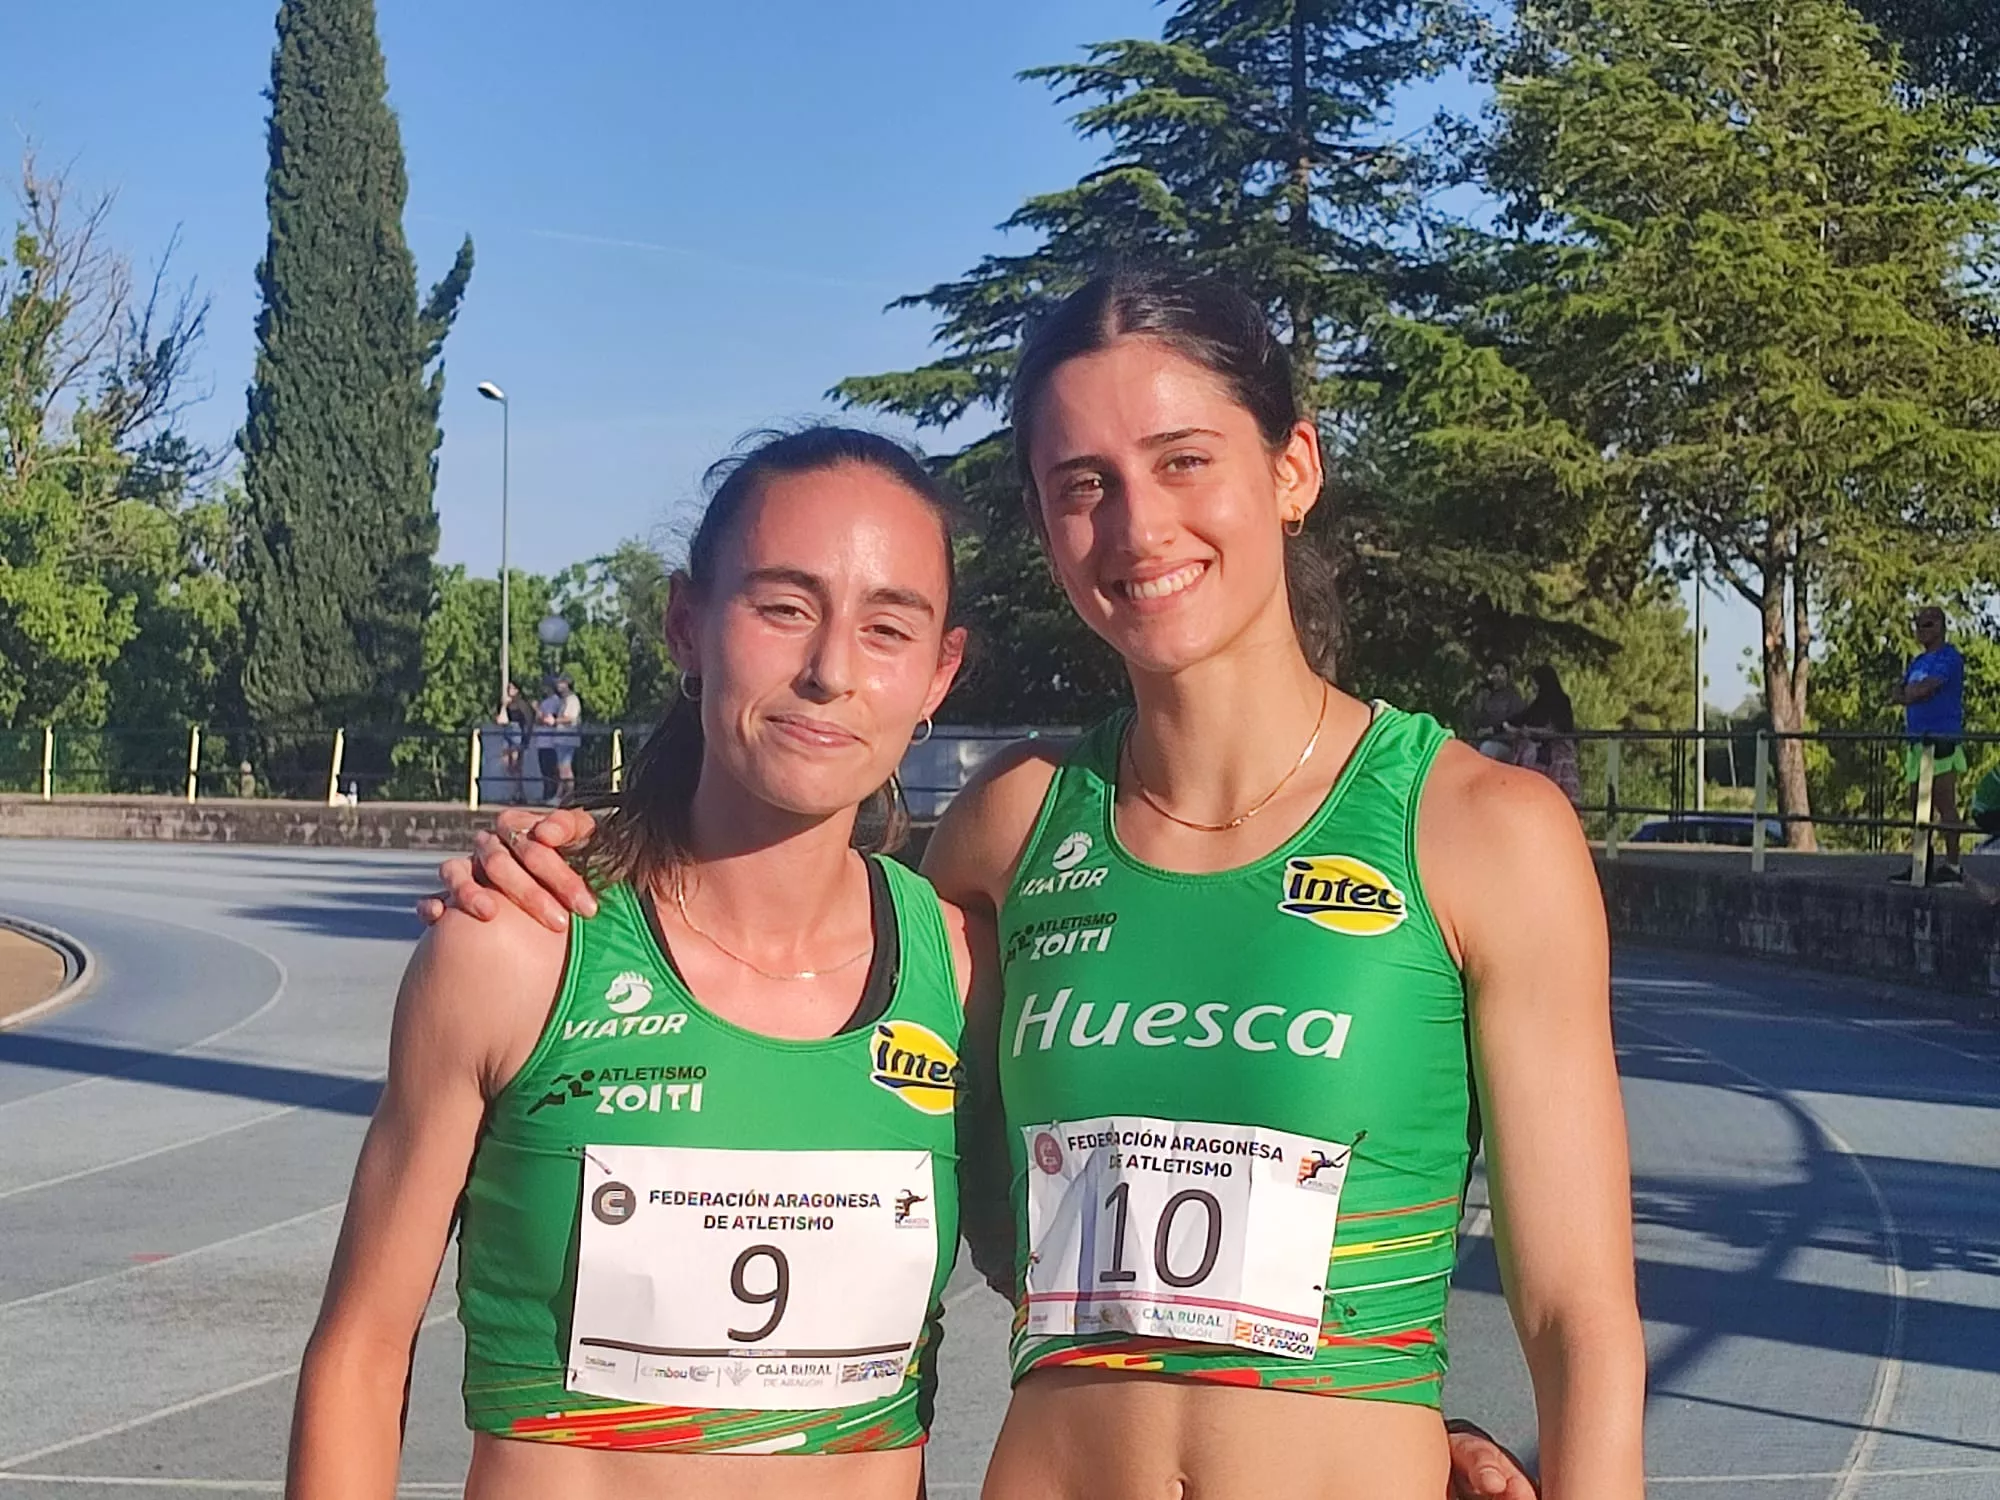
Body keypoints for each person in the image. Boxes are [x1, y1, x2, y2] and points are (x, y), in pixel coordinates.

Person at [434, 272, 1640, 1498]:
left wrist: (1369, 1417)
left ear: (1291, 470)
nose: (1135, 529)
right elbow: (778, 991)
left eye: (1182, 462)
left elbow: (1575, 1324)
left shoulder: (1480, 832)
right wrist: (582, 867)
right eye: (1083, 485)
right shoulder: (1009, 830)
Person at [288, 428, 983, 1500]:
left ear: (938, 673)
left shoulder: (962, 970)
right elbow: (362, 1354)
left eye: (886, 628)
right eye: (783, 607)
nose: (830, 670)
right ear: (686, 624)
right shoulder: (518, 944)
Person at [1893, 606, 1966, 883]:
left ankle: (1954, 865)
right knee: (1917, 803)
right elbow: (1899, 691)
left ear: (1940, 626)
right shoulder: (1917, 662)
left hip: (1942, 738)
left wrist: (1912, 693)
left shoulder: (1949, 658)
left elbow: (1925, 689)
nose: (1921, 629)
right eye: (1918, 625)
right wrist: (1909, 693)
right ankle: (1923, 861)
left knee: (1944, 800)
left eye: (1927, 624)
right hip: (1918, 742)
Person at [1509, 666, 1581, 807]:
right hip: (1539, 748)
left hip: (1557, 750)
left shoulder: (1560, 702)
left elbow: (1557, 730)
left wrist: (1531, 731)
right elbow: (1523, 718)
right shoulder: (1538, 703)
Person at [1465, 663, 1527, 761]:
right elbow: (1474, 719)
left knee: (1486, 749)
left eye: (1502, 672)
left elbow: (1515, 721)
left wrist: (1493, 729)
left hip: (1504, 743)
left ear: (1507, 675)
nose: (1498, 676)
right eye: (1495, 672)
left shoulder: (1513, 696)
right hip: (1482, 739)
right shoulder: (1485, 694)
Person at [495, 682, 534, 804]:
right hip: (507, 730)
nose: (510, 690)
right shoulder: (505, 703)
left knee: (516, 764)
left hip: (517, 732)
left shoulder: (521, 704)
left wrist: (526, 738)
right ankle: (517, 792)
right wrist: (503, 706)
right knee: (507, 764)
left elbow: (528, 720)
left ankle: (516, 794)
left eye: (513, 688)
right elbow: (499, 719)